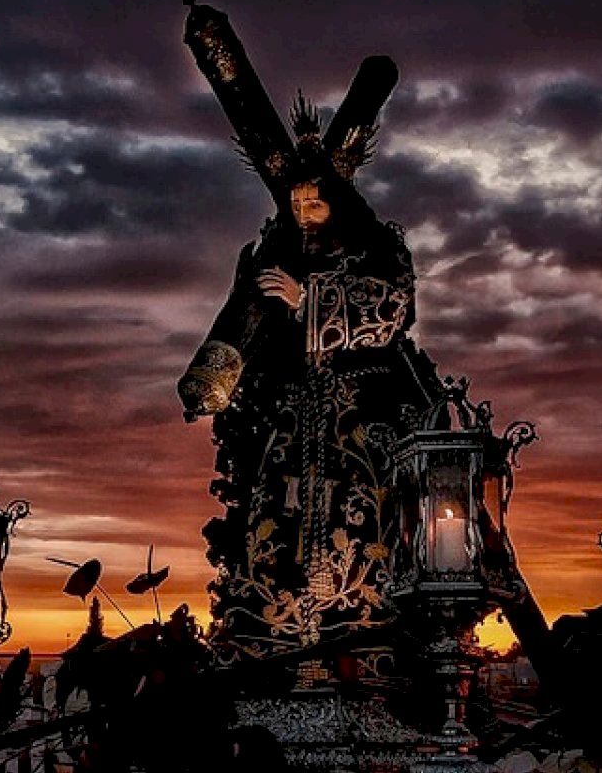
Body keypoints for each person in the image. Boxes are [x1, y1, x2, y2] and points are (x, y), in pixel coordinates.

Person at [179, 97, 442, 663]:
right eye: (296, 202)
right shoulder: (275, 257)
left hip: (360, 406)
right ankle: (272, 627)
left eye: (314, 201)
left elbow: (392, 309)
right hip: (290, 411)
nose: (303, 211)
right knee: (276, 506)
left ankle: (363, 622)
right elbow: (247, 326)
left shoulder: (377, 249)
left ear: (336, 203)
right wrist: (220, 377)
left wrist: (310, 300)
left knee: (361, 506)